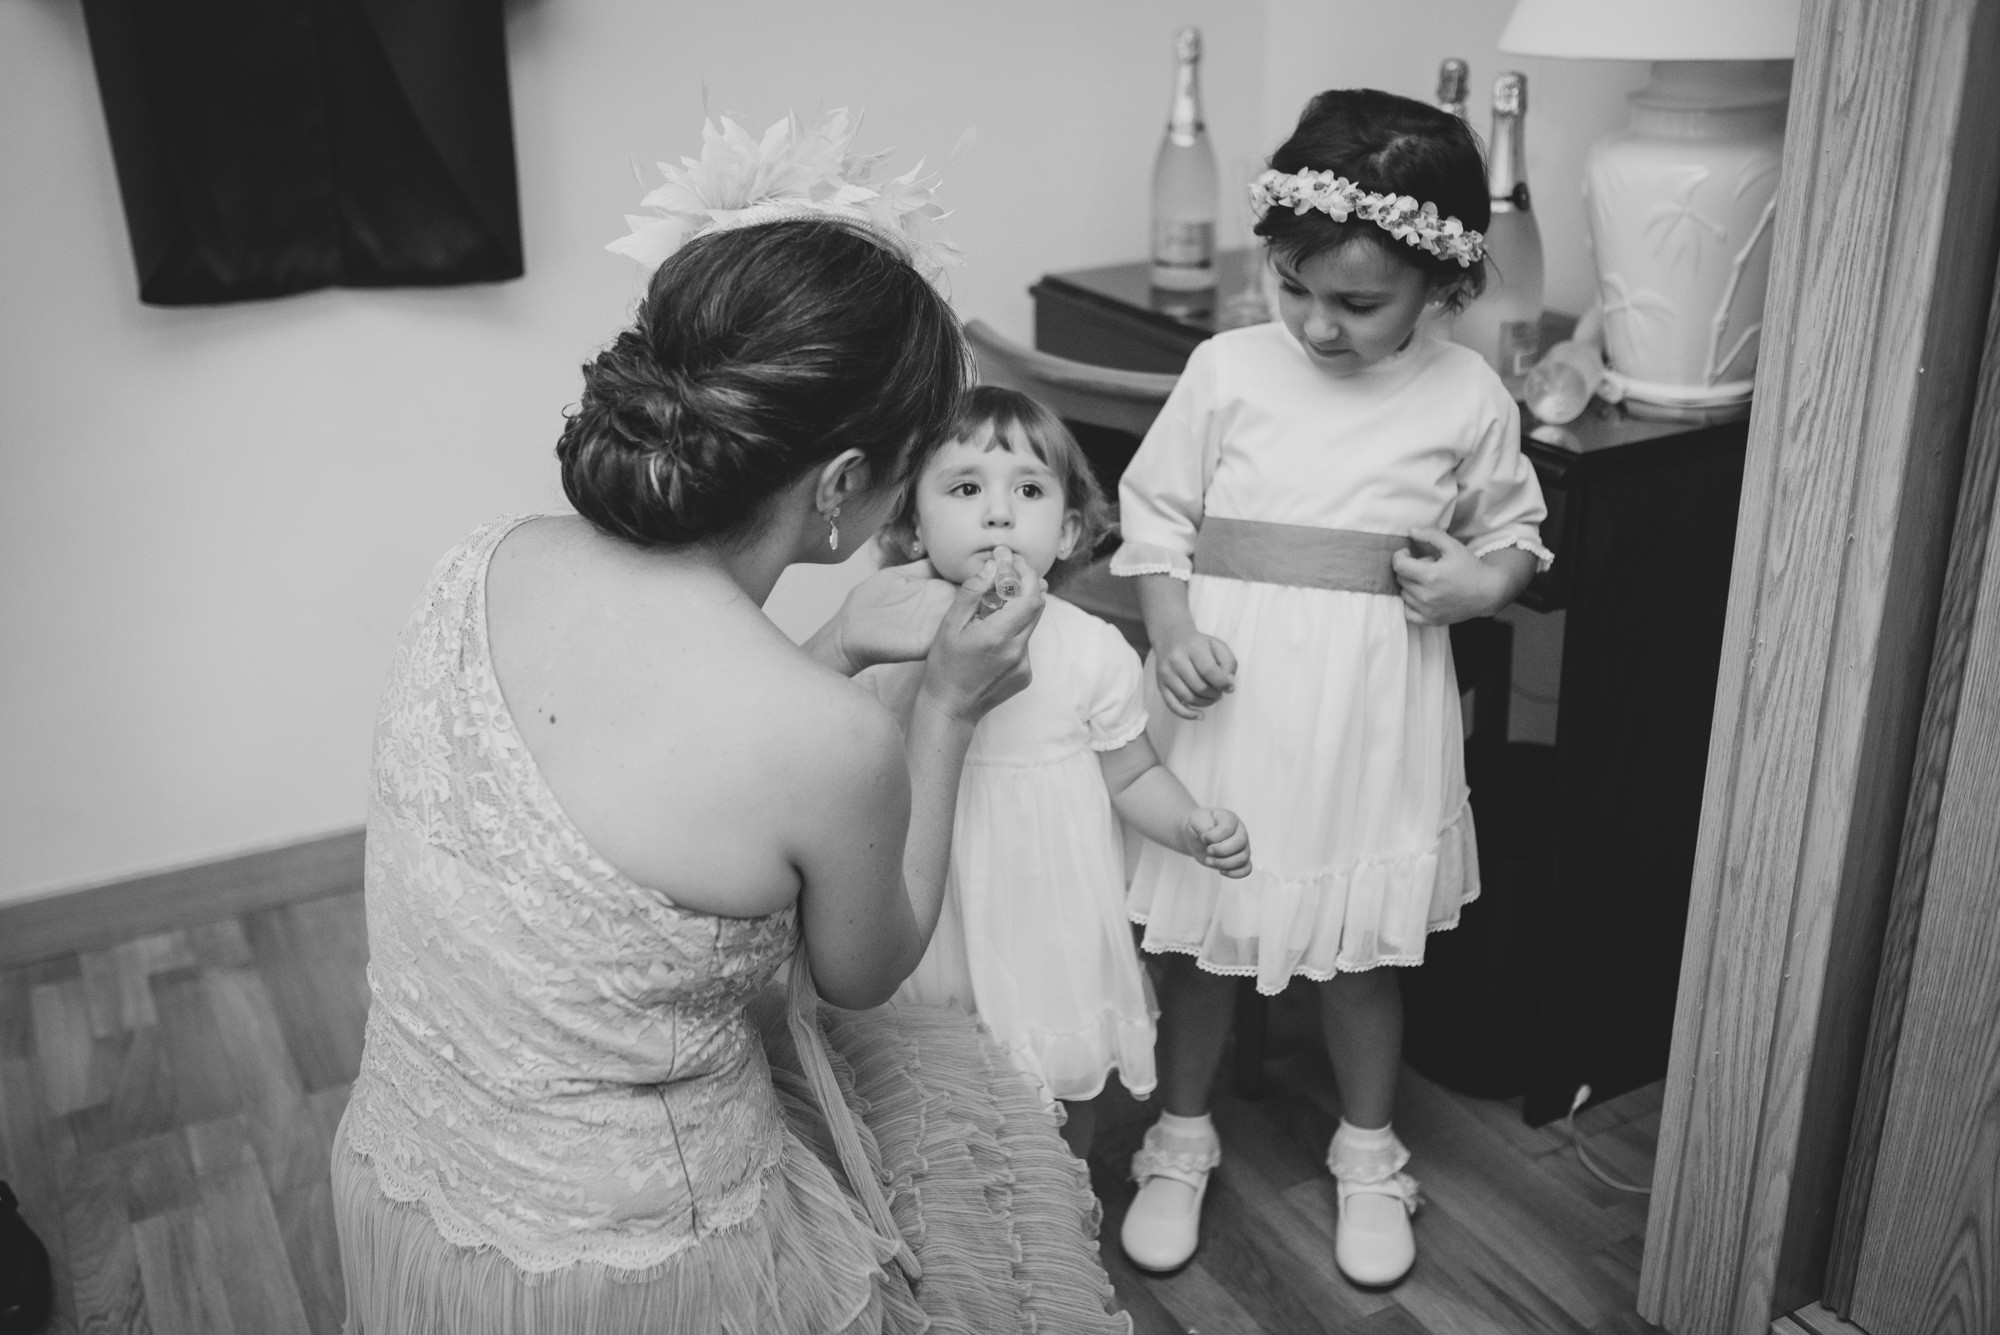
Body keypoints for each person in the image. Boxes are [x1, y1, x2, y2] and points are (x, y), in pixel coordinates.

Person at [331, 212, 1133, 1333]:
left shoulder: (483, 558)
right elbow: (864, 968)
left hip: (413, 1183)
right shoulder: (829, 744)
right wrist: (946, 706)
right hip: (640, 1272)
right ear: (845, 484)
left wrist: (843, 642)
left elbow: (670, 771)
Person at [1110, 88, 1551, 1287]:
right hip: (1232, 697)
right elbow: (1151, 522)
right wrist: (1169, 628)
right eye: (1292, 287)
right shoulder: (1223, 368)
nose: (1314, 324)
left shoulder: (1465, 395)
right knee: (1203, 940)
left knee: (1362, 955)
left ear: (1444, 288)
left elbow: (1515, 537)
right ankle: (1179, 1136)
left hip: (1369, 710)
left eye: (1356, 303)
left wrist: (1477, 585)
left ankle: (1367, 1149)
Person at [859, 387, 1251, 1159]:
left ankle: (1060, 1231)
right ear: (910, 523)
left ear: (1068, 528)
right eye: (966, 488)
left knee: (1062, 1108)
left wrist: (1191, 825)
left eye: (1029, 490)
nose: (999, 513)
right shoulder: (888, 640)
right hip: (940, 916)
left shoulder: (1092, 649)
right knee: (937, 1106)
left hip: (1052, 923)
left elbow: (1133, 774)